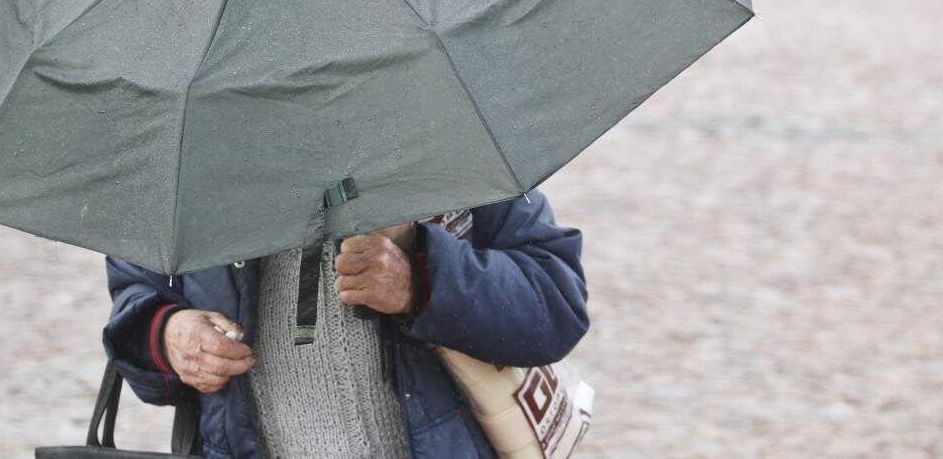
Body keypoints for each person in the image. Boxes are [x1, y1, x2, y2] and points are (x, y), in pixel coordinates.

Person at [103, 191, 587, 459]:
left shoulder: (442, 125)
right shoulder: (193, 151)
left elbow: (553, 302)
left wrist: (420, 280)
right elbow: (137, 299)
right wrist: (170, 334)